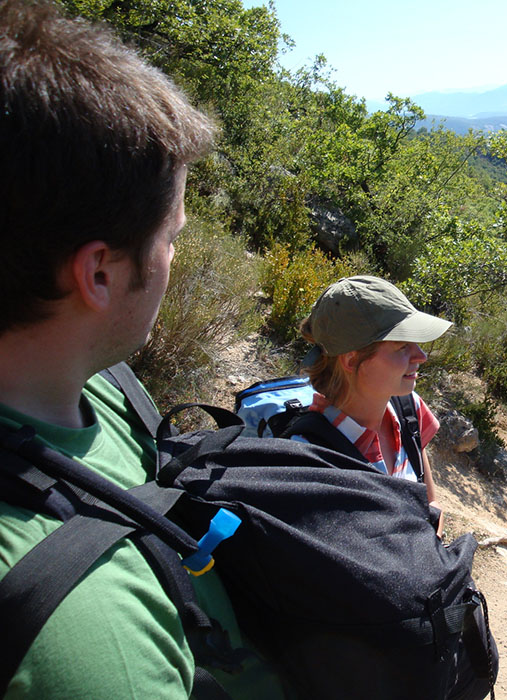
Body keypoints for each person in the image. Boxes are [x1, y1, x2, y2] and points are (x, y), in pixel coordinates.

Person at [0, 2, 285, 697]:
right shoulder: (86, 637)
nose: (174, 258)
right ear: (99, 273)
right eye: (173, 235)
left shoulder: (97, 384)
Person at [298, 275, 451, 533]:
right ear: (350, 359)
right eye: (402, 346)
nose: (421, 356)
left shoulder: (408, 409)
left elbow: (431, 504)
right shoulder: (311, 459)